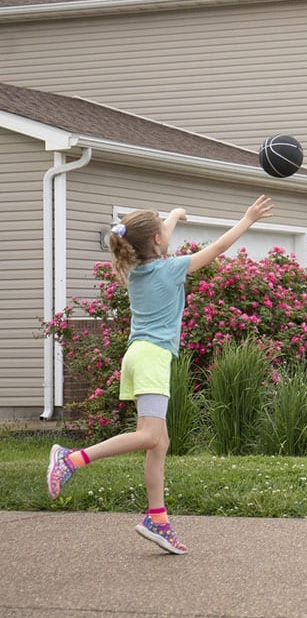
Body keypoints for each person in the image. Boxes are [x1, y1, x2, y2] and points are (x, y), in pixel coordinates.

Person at [46, 195, 274, 554]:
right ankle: (72, 459)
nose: (167, 235)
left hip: (137, 355)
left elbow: (156, 236)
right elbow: (217, 248)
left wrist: (173, 216)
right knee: (150, 437)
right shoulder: (170, 268)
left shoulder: (133, 267)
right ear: (155, 241)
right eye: (163, 232)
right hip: (152, 358)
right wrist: (247, 220)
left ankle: (158, 520)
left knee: (160, 443)